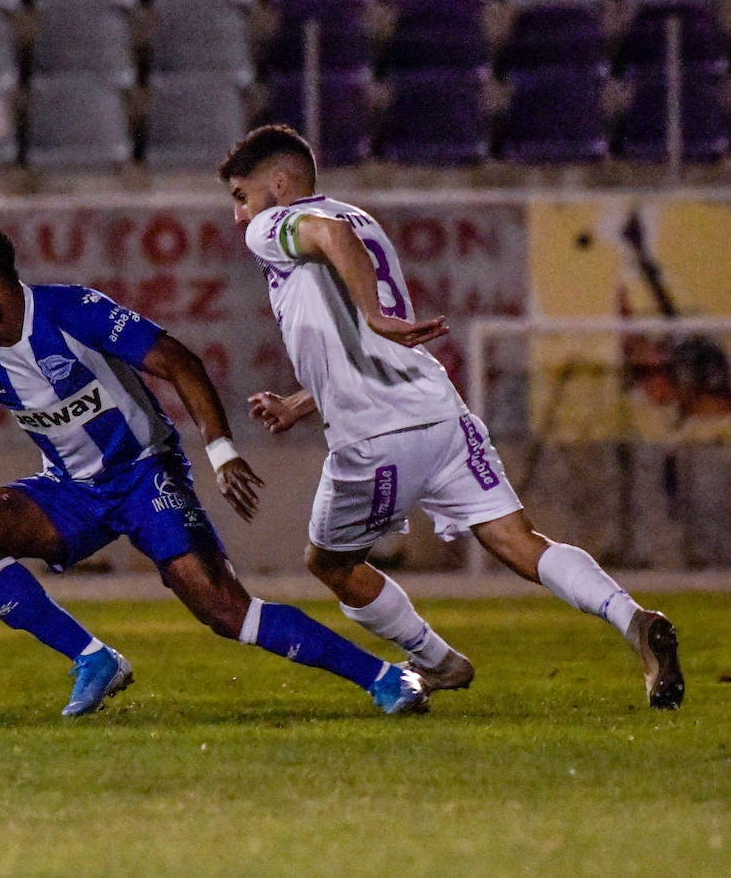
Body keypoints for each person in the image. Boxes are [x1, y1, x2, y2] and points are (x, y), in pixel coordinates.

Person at [0, 218, 429, 717]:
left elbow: (178, 361)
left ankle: (385, 678)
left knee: (223, 609)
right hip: (70, 490)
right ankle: (93, 659)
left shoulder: (70, 311)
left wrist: (220, 451)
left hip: (146, 473)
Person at [218, 123, 684, 710]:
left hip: (374, 438)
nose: (238, 217)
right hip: (440, 415)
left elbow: (327, 237)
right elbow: (367, 332)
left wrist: (373, 314)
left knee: (330, 563)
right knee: (519, 542)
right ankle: (634, 619)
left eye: (241, 197)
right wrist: (302, 400)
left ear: (279, 186)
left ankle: (438, 661)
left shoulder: (279, 226)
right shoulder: (365, 221)